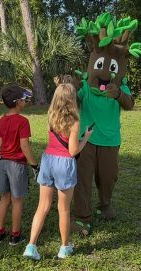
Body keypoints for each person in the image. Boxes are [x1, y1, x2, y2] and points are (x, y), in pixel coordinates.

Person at [23, 83, 92, 260]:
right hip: (64, 164)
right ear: (72, 99)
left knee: (42, 207)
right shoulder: (74, 121)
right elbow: (73, 151)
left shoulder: (50, 116)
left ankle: (31, 246)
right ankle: (64, 247)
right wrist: (85, 138)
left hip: (48, 161)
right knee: (63, 209)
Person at [0, 84, 39, 246]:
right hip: (17, 165)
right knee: (17, 200)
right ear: (18, 101)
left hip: (2, 163)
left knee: (4, 198)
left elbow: (0, 143)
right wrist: (34, 165)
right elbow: (24, 146)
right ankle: (15, 235)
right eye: (24, 99)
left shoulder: (2, 121)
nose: (25, 101)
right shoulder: (23, 122)